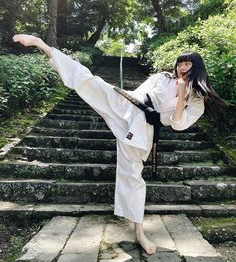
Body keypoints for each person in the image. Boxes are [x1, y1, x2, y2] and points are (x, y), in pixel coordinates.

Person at [12, 34, 226, 255]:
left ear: (196, 67)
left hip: (143, 130)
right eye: (180, 62)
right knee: (91, 82)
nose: (182, 67)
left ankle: (139, 233)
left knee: (132, 176)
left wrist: (182, 96)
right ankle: (42, 44)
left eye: (188, 63)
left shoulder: (197, 101)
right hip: (128, 105)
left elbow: (178, 124)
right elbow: (141, 94)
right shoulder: (163, 77)